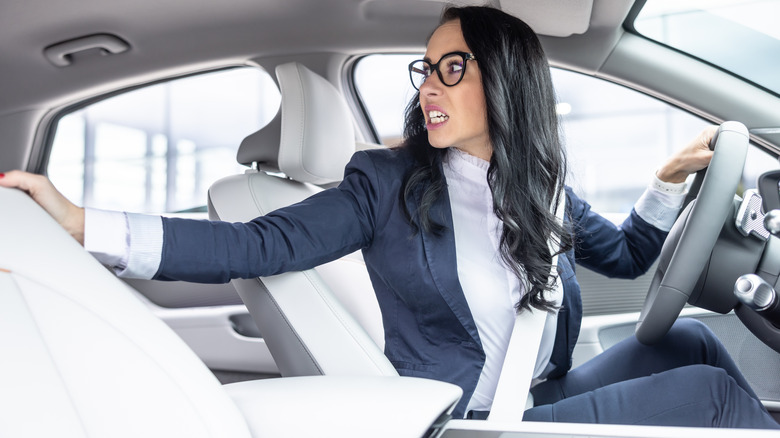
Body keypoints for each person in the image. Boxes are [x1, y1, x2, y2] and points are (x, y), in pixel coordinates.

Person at [1, 5, 777, 429]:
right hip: (483, 421)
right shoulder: (388, 184)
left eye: (452, 68)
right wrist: (81, 225)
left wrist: (669, 178)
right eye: (427, 69)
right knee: (709, 401)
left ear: (504, 83)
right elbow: (259, 243)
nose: (430, 86)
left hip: (547, 396)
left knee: (688, 339)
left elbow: (630, 257)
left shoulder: (539, 189)